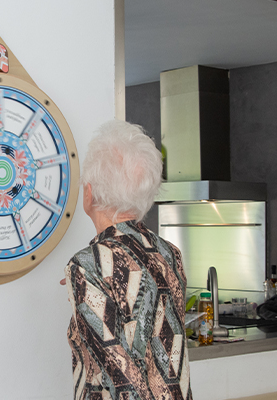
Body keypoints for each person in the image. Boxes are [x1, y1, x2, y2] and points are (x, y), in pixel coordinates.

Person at [62, 120, 192, 400]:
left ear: (89, 191)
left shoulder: (87, 266)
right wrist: (85, 280)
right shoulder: (170, 254)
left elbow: (120, 378)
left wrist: (85, 274)